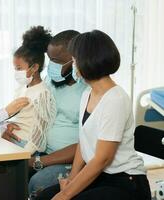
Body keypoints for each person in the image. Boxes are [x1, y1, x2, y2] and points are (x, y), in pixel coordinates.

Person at [38, 30, 151, 200]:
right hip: (100, 177)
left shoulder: (115, 99)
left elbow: (102, 159)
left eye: (75, 61)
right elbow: (84, 145)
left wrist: (65, 195)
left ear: (87, 61)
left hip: (125, 180)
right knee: (45, 196)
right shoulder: (88, 94)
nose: (73, 66)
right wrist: (71, 180)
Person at [2, 30, 87, 195]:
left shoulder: (88, 90)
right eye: (50, 60)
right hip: (40, 150)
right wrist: (10, 129)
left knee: (37, 182)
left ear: (76, 59)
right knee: (4, 173)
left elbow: (88, 145)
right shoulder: (49, 82)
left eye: (57, 61)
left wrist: (37, 161)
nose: (51, 66)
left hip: (70, 160)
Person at [3, 26, 56, 154]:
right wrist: (6, 126)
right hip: (13, 141)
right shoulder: (21, 88)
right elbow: (17, 116)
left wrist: (24, 157)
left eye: (19, 68)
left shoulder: (42, 93)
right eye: (15, 68)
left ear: (34, 68)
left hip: (26, 147)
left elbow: (40, 132)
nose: (16, 72)